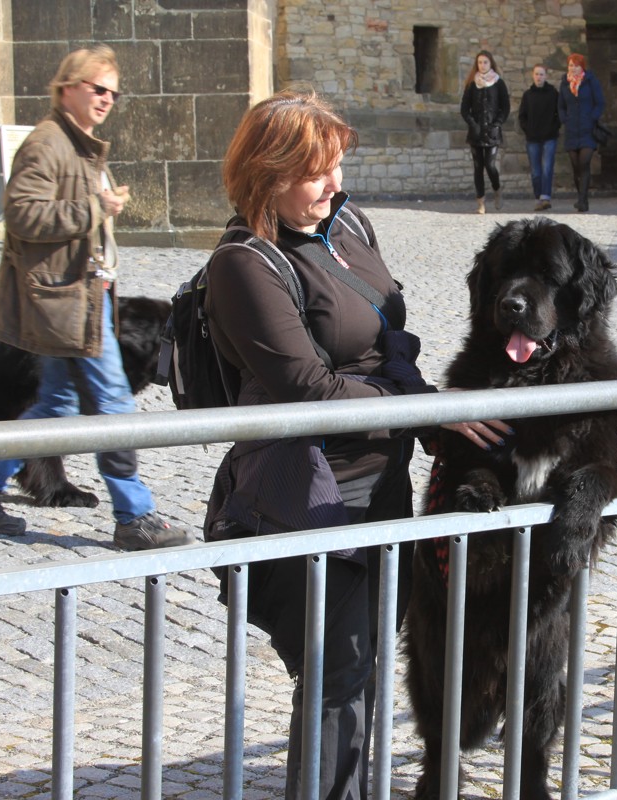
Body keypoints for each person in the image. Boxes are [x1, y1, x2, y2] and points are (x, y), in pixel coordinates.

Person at [201, 89, 508, 800]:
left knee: (359, 663)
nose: (334, 184)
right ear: (266, 173)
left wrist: (433, 419)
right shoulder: (244, 263)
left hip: (385, 480)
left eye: (337, 165)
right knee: (336, 670)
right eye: (315, 172)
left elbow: (390, 341)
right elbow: (305, 386)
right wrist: (424, 410)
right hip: (312, 494)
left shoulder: (349, 224)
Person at [0, 44, 195, 552]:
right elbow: (22, 214)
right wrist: (94, 207)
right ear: (68, 87)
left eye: (113, 93)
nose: (107, 99)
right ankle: (134, 516)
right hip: (64, 305)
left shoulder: (78, 143)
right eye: (98, 89)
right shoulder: (47, 143)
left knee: (55, 406)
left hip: (83, 302)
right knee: (114, 408)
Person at [460, 50, 510, 214]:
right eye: (480, 62)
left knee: (490, 165)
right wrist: (473, 124)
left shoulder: (498, 83)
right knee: (478, 167)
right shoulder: (472, 84)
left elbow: (505, 107)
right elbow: (464, 109)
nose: (482, 65)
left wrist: (498, 123)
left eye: (485, 62)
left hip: (492, 131)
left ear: (491, 63)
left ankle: (497, 188)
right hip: (476, 132)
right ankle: (480, 202)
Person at [557, 53, 605, 213]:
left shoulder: (591, 81)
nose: (573, 68)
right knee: (576, 166)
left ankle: (582, 201)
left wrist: (592, 117)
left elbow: (600, 103)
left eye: (576, 65)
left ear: (582, 67)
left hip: (587, 130)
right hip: (571, 130)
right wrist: (564, 118)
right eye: (571, 65)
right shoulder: (565, 84)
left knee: (584, 163)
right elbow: (561, 105)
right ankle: (581, 196)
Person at [518, 64, 561, 212]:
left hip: (549, 137)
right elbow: (522, 116)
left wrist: (554, 127)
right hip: (533, 138)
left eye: (541, 74)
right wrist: (528, 129)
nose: (539, 77)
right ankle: (538, 197)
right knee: (536, 171)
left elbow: (559, 113)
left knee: (547, 168)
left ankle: (546, 197)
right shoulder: (528, 95)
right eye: (536, 74)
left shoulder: (553, 94)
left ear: (546, 76)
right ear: (533, 75)